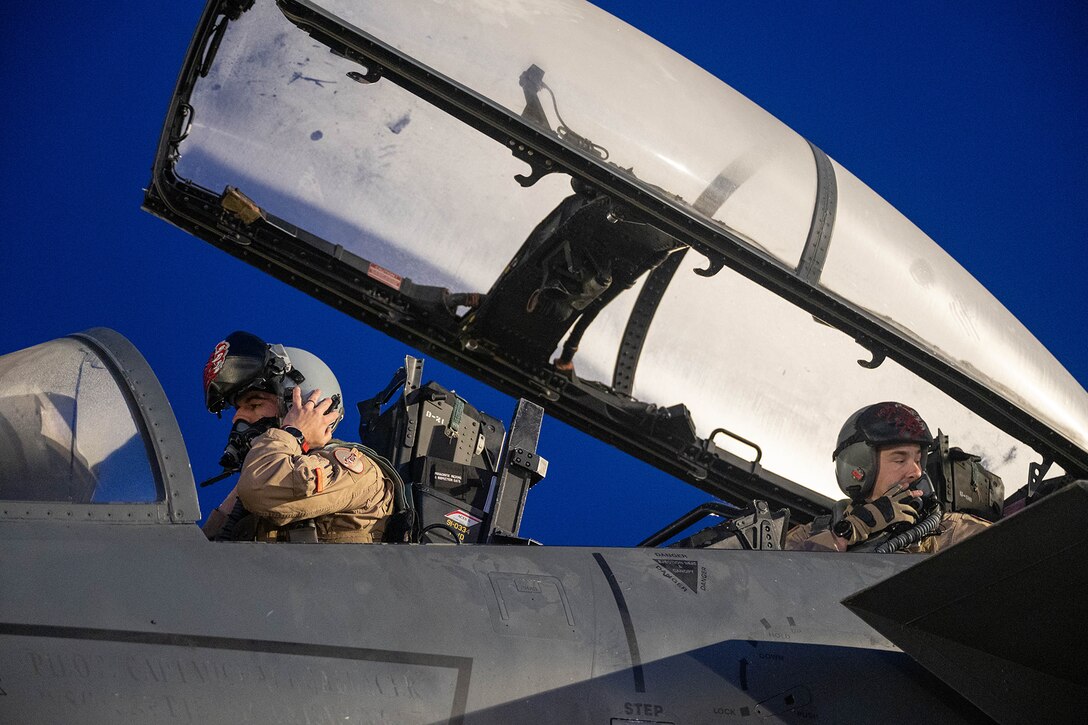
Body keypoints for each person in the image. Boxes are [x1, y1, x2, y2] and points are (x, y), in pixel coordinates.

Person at [200, 331, 393, 543]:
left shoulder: (354, 469)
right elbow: (203, 556)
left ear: (301, 405)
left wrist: (295, 432)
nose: (237, 418)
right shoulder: (256, 482)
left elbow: (261, 489)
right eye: (237, 409)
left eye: (254, 404)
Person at [785, 402, 991, 553]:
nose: (917, 472)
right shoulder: (810, 534)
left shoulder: (952, 532)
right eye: (900, 460)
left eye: (919, 460)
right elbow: (782, 585)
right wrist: (850, 532)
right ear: (859, 468)